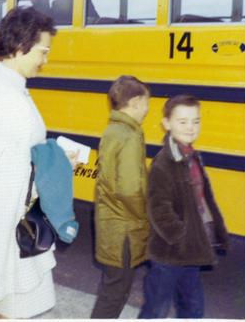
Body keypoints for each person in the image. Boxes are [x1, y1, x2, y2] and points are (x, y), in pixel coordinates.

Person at [0, 6, 74, 319]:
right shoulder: (7, 95)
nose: (46, 60)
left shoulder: (2, 85)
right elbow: (14, 168)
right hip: (12, 223)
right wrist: (59, 165)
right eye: (43, 51)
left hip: (7, 219)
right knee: (6, 302)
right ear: (21, 44)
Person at [138, 94, 229, 318]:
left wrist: (213, 231)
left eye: (195, 121)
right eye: (183, 121)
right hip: (169, 253)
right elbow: (159, 209)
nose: (190, 127)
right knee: (156, 308)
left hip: (191, 250)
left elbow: (203, 200)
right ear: (166, 124)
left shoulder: (191, 156)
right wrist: (181, 236)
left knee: (192, 306)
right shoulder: (164, 162)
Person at [91, 75, 150, 319]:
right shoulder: (129, 135)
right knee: (115, 292)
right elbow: (129, 189)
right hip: (123, 229)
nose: (147, 109)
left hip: (111, 224)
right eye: (147, 103)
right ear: (135, 102)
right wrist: (146, 217)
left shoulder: (113, 129)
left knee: (112, 288)